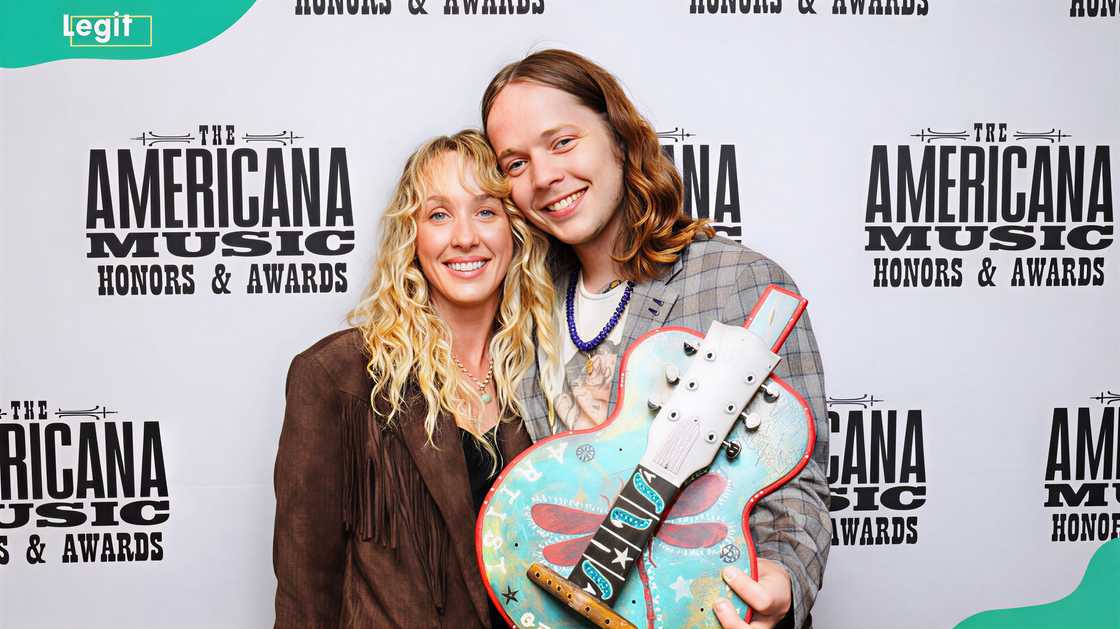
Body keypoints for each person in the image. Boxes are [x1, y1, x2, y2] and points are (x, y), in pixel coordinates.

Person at [481, 50, 830, 629]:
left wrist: (781, 580)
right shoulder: (523, 308)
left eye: (562, 142)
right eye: (515, 163)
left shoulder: (736, 283)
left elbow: (796, 488)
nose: (544, 177)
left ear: (618, 136)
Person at [273, 130, 557, 628]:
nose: (465, 237)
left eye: (486, 211)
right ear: (412, 236)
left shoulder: (549, 372)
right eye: (439, 214)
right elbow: (305, 591)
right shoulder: (340, 378)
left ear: (515, 232)